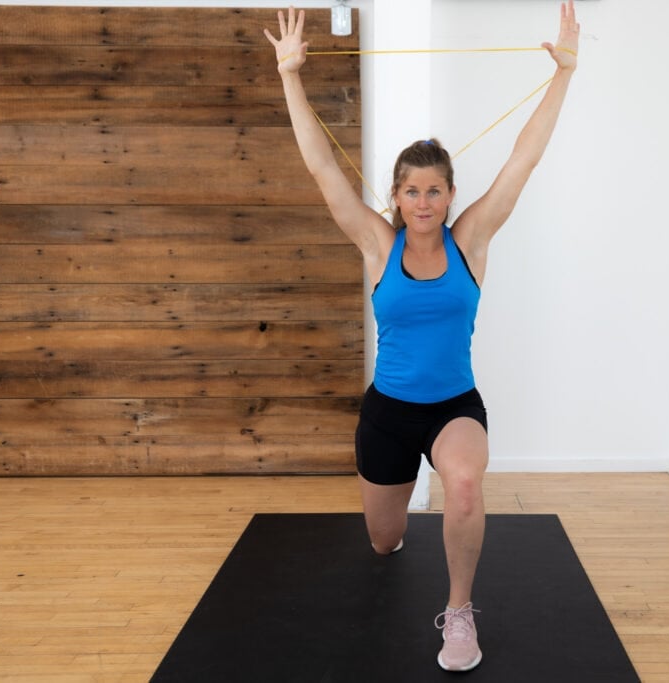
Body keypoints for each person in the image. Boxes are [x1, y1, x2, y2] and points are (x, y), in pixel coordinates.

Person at [266, 2, 578, 673]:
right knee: (384, 541)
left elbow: (523, 161)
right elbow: (325, 173)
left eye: (435, 189)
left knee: (464, 484)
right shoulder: (379, 246)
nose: (425, 202)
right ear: (397, 197)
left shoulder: (472, 239)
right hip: (386, 412)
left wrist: (564, 75)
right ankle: (393, 534)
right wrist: (291, 76)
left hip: (452, 407)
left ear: (449, 192)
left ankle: (459, 612)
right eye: (411, 190)